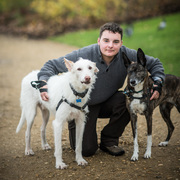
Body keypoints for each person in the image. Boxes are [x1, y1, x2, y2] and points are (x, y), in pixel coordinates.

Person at [38, 22, 165, 157]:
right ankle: (78, 130)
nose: (110, 45)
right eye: (106, 41)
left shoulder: (126, 53)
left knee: (126, 99)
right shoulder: (84, 54)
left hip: (108, 100)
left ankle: (109, 140)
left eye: (115, 42)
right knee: (87, 150)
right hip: (82, 106)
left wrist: (158, 82)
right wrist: (43, 83)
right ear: (99, 41)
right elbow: (51, 65)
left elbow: (155, 63)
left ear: (121, 43)